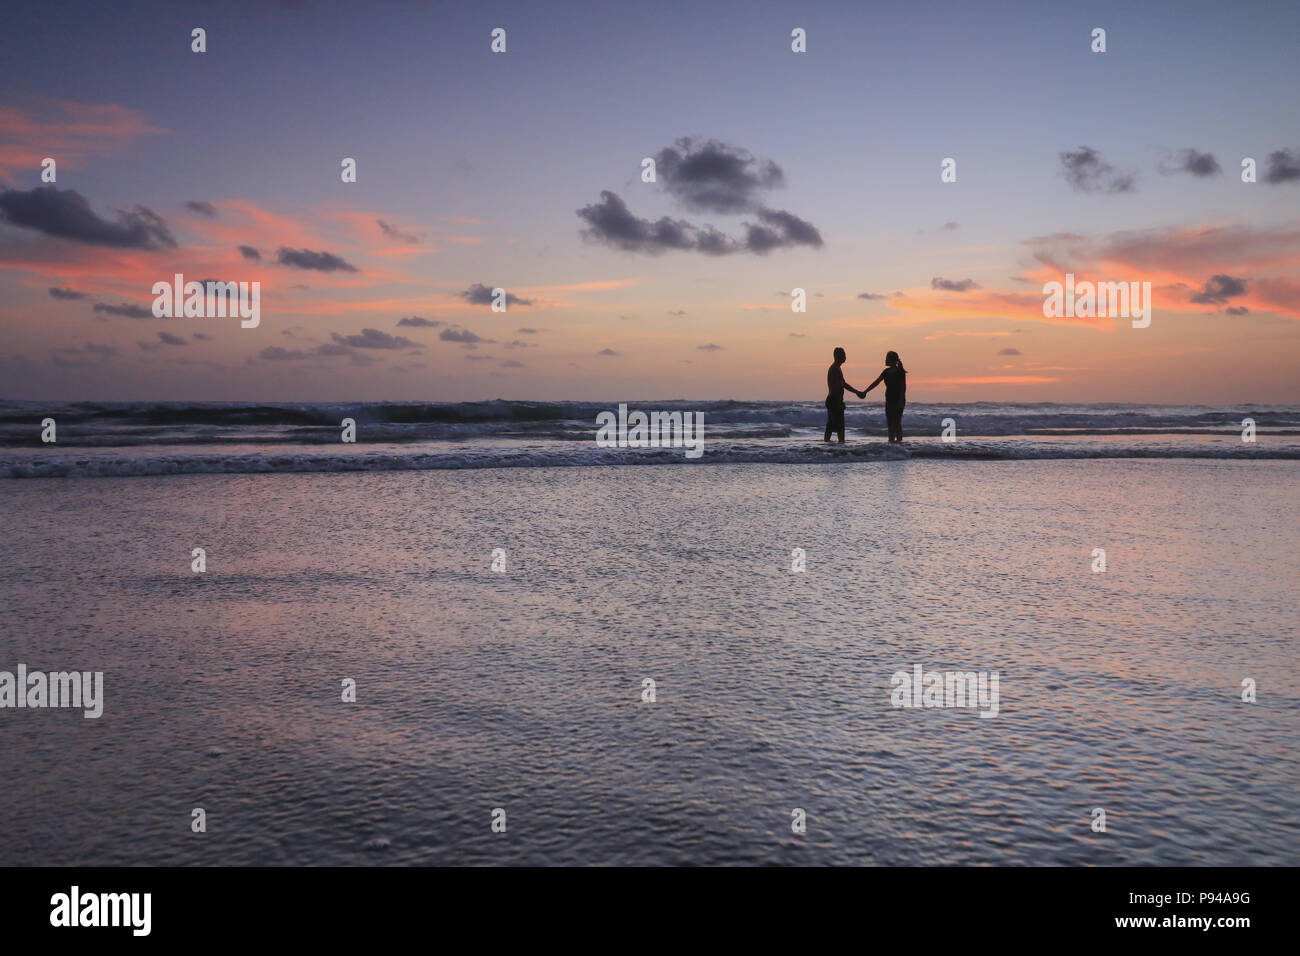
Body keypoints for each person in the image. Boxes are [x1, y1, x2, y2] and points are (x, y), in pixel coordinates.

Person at [864, 351, 907, 442]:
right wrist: (866, 391)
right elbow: (876, 382)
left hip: (898, 400)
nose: (885, 360)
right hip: (889, 400)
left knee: (897, 423)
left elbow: (903, 388)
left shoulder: (900, 372)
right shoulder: (885, 372)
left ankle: (899, 442)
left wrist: (900, 401)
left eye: (887, 358)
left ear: (891, 360)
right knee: (890, 423)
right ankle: (891, 441)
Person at [825, 347, 865, 443]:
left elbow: (844, 384)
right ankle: (837, 445)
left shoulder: (836, 368)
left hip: (834, 400)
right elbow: (837, 388)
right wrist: (839, 402)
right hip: (834, 400)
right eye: (844, 355)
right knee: (836, 427)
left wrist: (856, 392)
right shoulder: (835, 369)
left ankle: (836, 445)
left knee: (834, 426)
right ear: (839, 356)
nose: (845, 357)